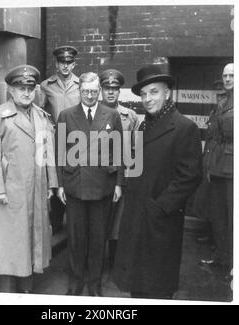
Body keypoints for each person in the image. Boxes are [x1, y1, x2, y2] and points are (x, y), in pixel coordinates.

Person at [112, 64, 203, 299]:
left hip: (160, 222)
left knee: (156, 288)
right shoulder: (144, 125)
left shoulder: (184, 127)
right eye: (143, 94)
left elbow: (190, 176)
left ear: (167, 93)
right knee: (138, 287)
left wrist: (160, 207)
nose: (147, 99)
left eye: (153, 92)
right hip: (137, 217)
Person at [0, 64, 58, 293]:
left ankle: (27, 289)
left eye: (30, 88)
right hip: (10, 191)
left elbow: (48, 152)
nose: (26, 92)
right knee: (11, 244)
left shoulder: (42, 117)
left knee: (32, 240)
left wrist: (51, 182)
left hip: (36, 187)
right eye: (20, 87)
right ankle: (8, 292)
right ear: (11, 90)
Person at [56, 72, 124, 296]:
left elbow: (119, 151)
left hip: (102, 186)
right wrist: (60, 185)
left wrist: (118, 184)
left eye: (94, 92)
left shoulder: (111, 115)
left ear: (99, 92)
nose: (89, 95)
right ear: (79, 91)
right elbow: (59, 152)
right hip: (75, 185)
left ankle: (94, 284)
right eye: (85, 91)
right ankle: (76, 283)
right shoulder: (66, 115)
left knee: (97, 239)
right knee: (76, 239)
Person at [99, 69, 140, 268]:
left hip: (121, 174)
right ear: (101, 90)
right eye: (107, 88)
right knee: (98, 220)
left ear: (119, 91)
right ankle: (95, 262)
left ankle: (114, 262)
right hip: (98, 175)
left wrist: (132, 175)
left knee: (118, 221)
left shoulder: (130, 116)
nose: (111, 92)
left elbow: (136, 148)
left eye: (115, 88)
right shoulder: (93, 112)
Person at [39, 45, 81, 235]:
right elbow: (39, 112)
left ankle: (74, 223)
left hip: (76, 140)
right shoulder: (46, 86)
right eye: (62, 62)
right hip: (55, 140)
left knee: (73, 177)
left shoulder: (81, 85)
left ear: (74, 64)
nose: (65, 66)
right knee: (56, 177)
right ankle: (56, 224)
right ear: (56, 64)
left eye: (69, 62)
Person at [200, 63, 234, 277]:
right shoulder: (223, 101)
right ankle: (222, 256)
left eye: (232, 75)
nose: (228, 78)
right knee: (219, 215)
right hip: (218, 166)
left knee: (233, 217)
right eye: (225, 75)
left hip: (232, 168)